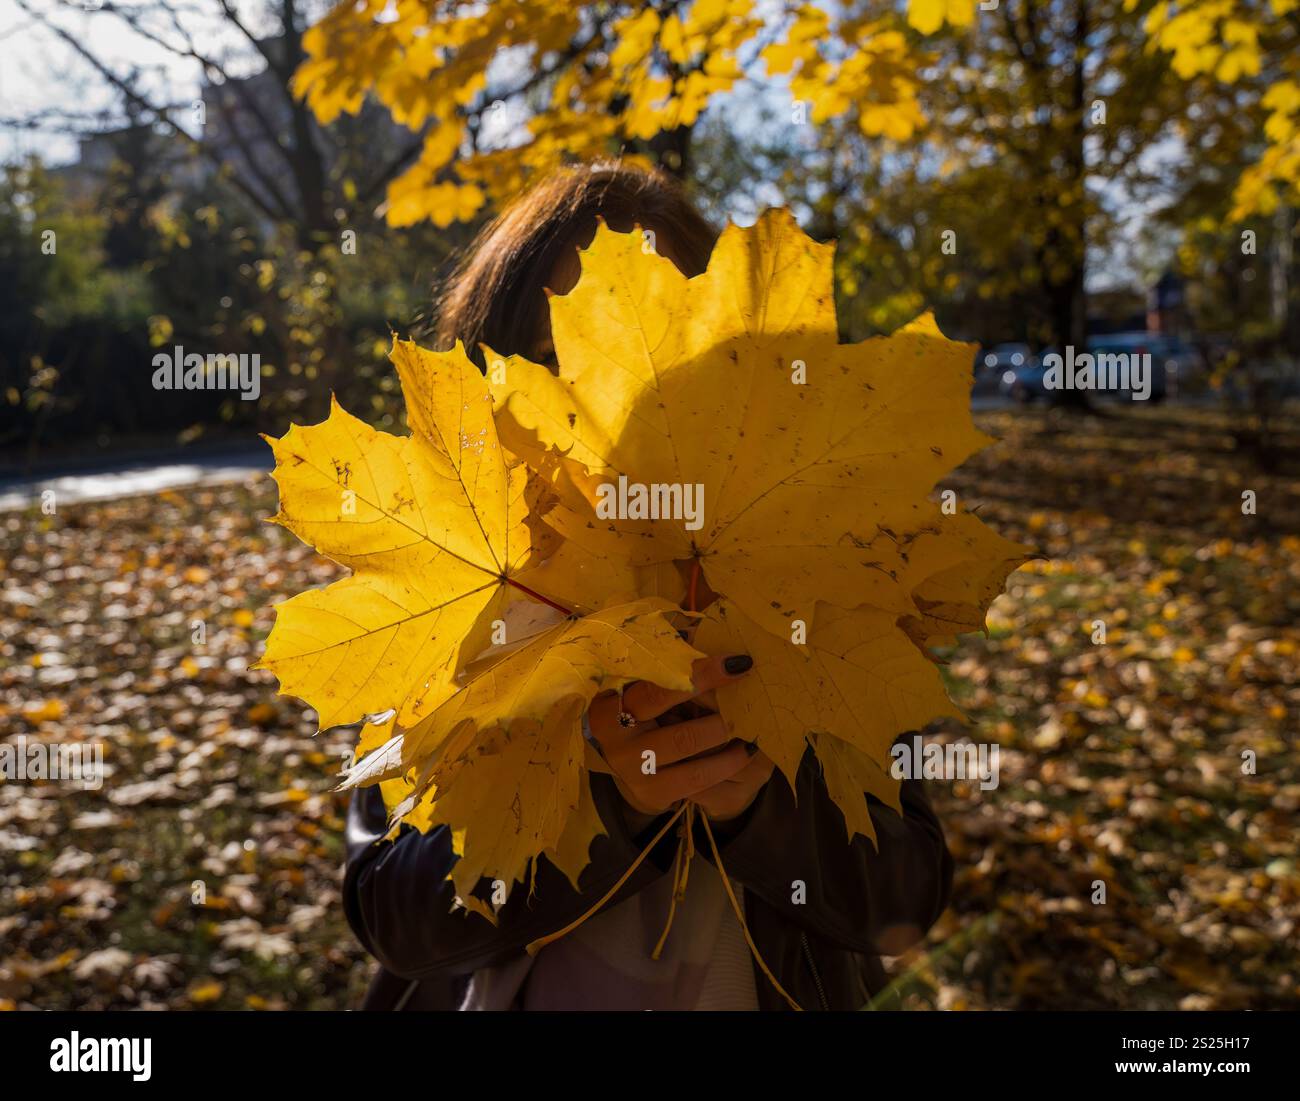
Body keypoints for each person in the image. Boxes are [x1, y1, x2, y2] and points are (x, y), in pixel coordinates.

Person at [343, 160, 953, 1011]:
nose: (622, 412)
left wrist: (764, 809)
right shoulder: (456, 597)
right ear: (486, 377)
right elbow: (396, 919)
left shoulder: (827, 574)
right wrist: (604, 800)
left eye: (674, 371)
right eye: (559, 358)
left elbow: (904, 898)